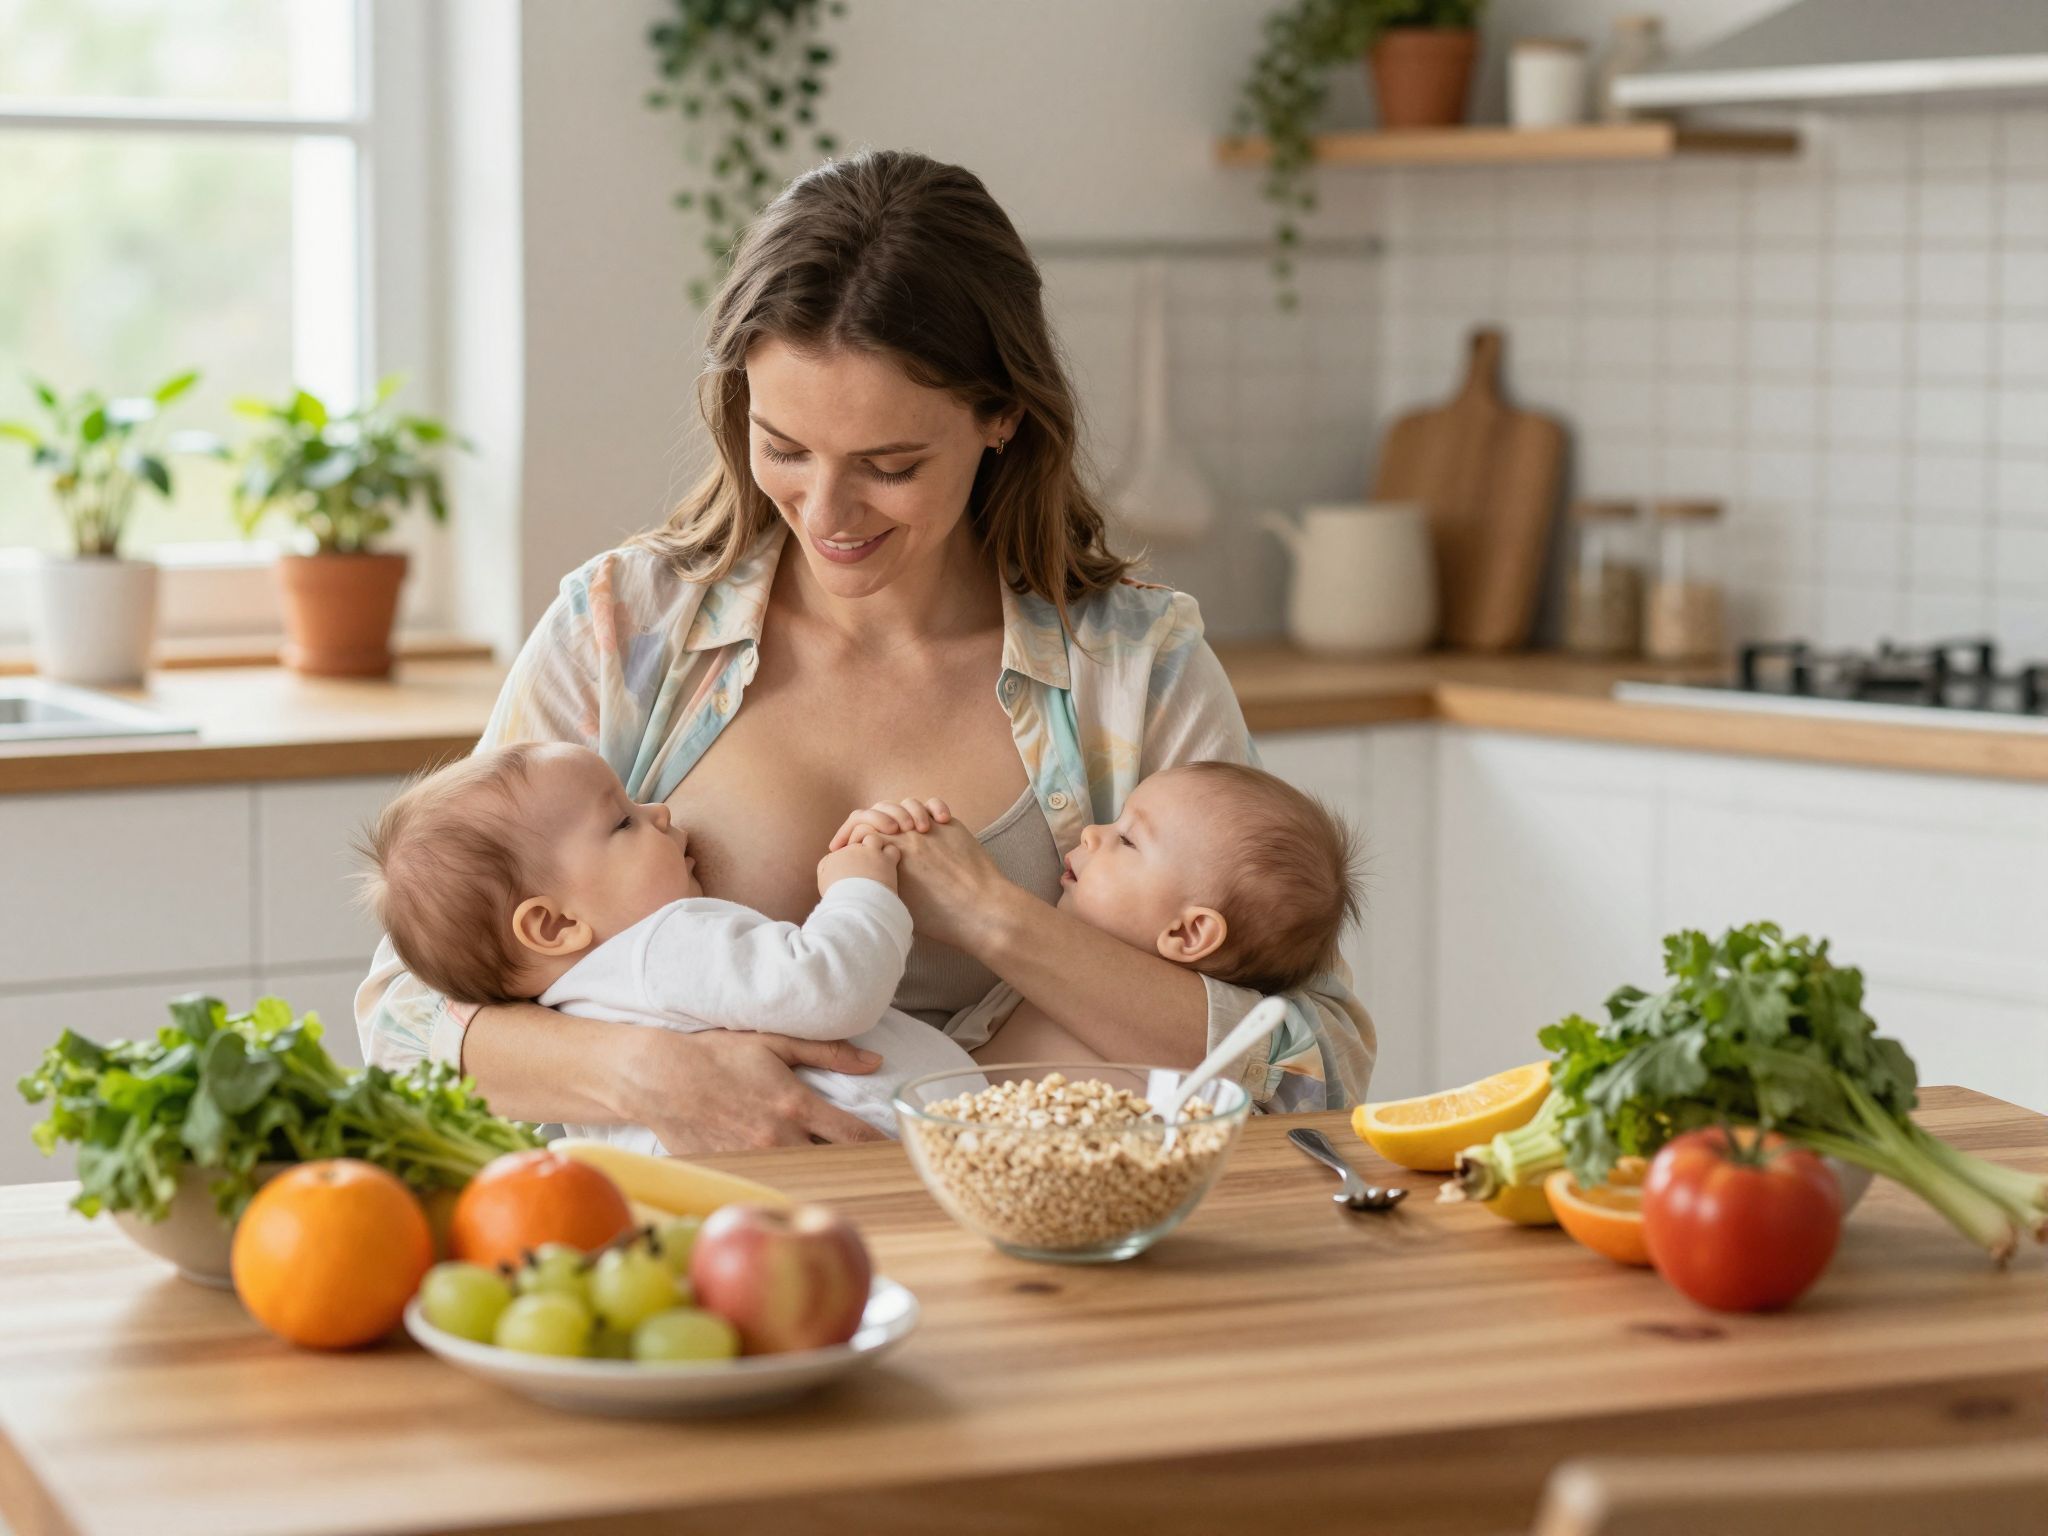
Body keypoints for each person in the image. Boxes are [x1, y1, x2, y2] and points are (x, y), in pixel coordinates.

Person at [356, 147, 1375, 1151]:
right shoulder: (625, 629)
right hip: (698, 1251)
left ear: (1001, 419)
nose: (826, 513)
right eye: (784, 450)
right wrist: (651, 1075)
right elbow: (405, 1019)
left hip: (1035, 1251)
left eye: (889, 464)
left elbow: (1313, 1061)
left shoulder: (1133, 667)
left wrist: (998, 921)